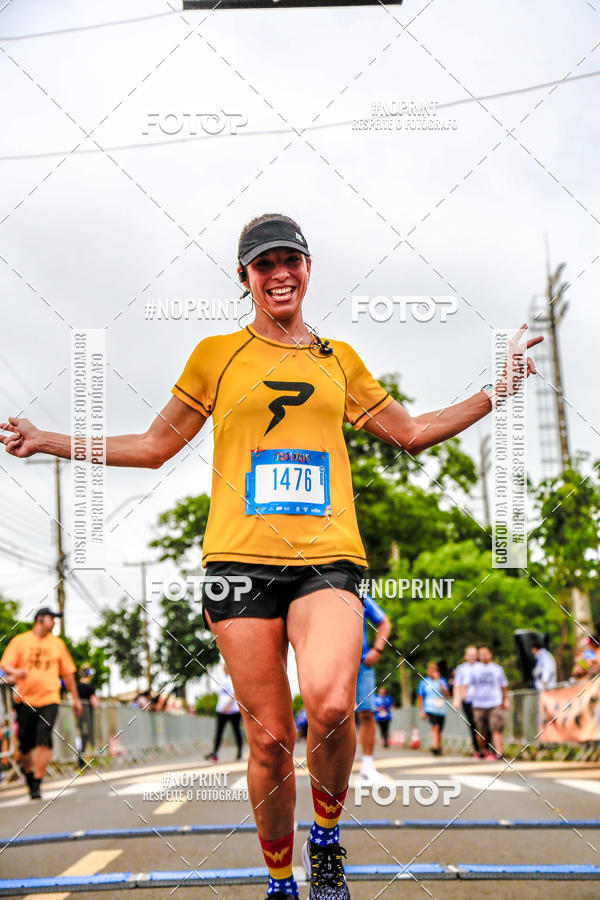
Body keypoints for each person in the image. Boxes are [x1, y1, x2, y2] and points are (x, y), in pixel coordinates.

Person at [0, 213, 542, 899]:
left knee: (334, 704)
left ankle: (326, 838)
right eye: (264, 264)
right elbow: (153, 445)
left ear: (308, 268)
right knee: (269, 741)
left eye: (291, 259)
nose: (279, 273)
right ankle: (281, 881)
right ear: (245, 277)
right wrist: (48, 439)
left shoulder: (338, 360)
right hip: (238, 565)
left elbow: (412, 433)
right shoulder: (215, 355)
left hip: (328, 559)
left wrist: (499, 390)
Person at [0, 608, 82, 799]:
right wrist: (16, 672)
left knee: (44, 739)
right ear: (40, 619)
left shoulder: (57, 644)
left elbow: (67, 673)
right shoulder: (20, 641)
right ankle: (29, 776)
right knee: (25, 745)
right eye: (51, 619)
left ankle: (37, 782)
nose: (53, 622)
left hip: (50, 698)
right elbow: (5, 665)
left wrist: (75, 698)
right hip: (24, 700)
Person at [356, 594, 390, 782]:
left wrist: (376, 650)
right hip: (332, 664)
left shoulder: (360, 594)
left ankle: (368, 765)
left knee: (367, 713)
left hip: (362, 664)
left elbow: (384, 622)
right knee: (333, 716)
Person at [470, 646, 509, 759]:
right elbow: (468, 686)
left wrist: (504, 700)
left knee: (497, 727)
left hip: (494, 702)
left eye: (486, 653)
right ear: (478, 656)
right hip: (479, 704)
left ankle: (499, 752)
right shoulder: (474, 669)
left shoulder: (497, 669)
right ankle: (483, 750)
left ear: (490, 654)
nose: (484, 656)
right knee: (481, 730)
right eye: (481, 654)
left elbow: (503, 686)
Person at [205, 663, 243, 762]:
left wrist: (228, 705)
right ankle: (215, 752)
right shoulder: (222, 680)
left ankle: (239, 753)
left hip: (233, 711)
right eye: (224, 668)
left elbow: (235, 694)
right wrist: (221, 707)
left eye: (226, 667)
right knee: (218, 732)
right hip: (221, 711)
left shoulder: (233, 679)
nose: (225, 669)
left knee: (236, 731)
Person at [416, 662, 449, 756]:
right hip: (429, 708)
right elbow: (420, 697)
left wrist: (439, 681)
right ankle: (435, 747)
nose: (432, 671)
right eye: (430, 669)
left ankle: (438, 745)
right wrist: (421, 710)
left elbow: (447, 694)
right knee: (435, 727)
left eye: (434, 669)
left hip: (441, 708)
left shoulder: (441, 680)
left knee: (440, 729)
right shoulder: (423, 682)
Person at [453, 645, 479, 755]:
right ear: (466, 656)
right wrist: (456, 699)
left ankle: (488, 746)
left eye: (474, 654)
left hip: (481, 701)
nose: (472, 657)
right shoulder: (461, 669)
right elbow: (457, 685)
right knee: (473, 724)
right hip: (468, 700)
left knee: (483, 724)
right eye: (470, 654)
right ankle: (478, 749)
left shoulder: (481, 666)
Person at [75, 663, 99, 768]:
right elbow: (94, 702)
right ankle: (81, 759)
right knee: (85, 736)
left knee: (79, 736)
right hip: (86, 715)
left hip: (76, 714)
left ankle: (81, 759)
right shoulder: (90, 687)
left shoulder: (76, 686)